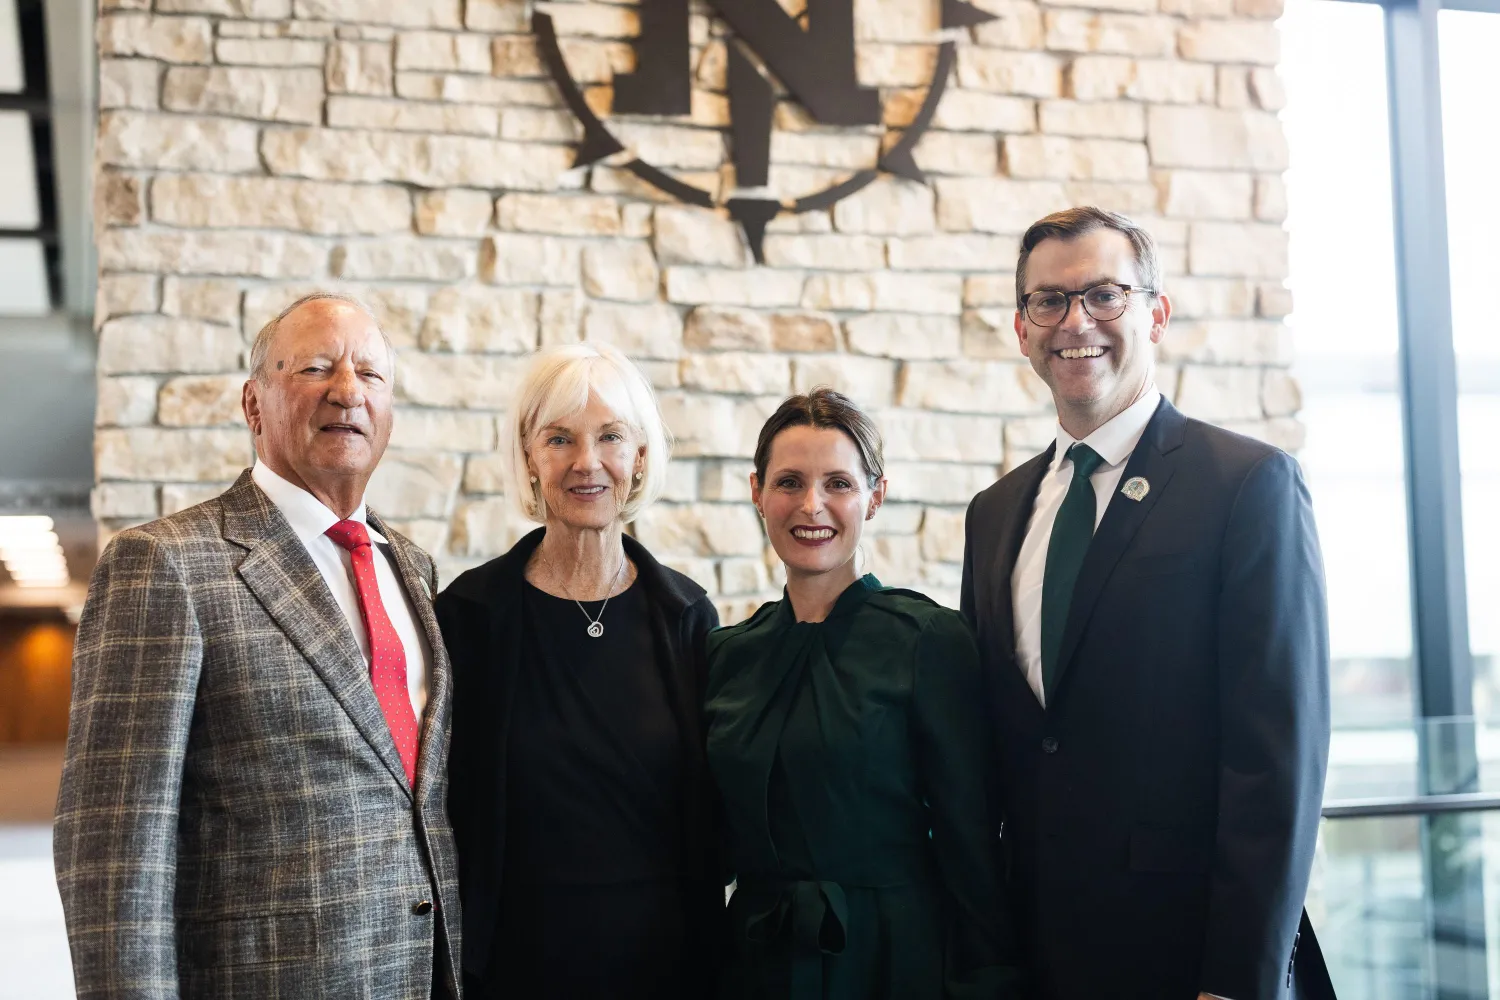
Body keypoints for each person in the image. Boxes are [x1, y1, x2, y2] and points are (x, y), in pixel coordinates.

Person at [960, 206, 1334, 1000]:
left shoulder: (1246, 485)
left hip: (1189, 958)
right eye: (1048, 302)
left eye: (1104, 295)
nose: (1075, 322)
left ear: (1155, 314)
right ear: (1022, 329)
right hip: (1036, 958)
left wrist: (1239, 980)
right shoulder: (993, 514)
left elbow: (1277, 763)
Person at [54, 293, 461, 998]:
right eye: (314, 366)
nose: (346, 390)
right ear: (253, 404)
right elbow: (114, 842)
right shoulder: (166, 563)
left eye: (370, 374)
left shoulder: (415, 568)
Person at [705, 388, 1021, 1000]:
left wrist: (989, 980)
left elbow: (971, 843)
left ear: (873, 497)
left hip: (893, 958)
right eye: (789, 482)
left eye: (838, 484)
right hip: (756, 960)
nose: (811, 505)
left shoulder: (926, 640)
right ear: (757, 494)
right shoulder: (727, 654)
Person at [434, 342, 725, 1000]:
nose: (586, 462)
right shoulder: (468, 617)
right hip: (513, 966)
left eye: (610, 437)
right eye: (560, 438)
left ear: (640, 457)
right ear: (529, 456)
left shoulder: (686, 617)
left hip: (666, 967)